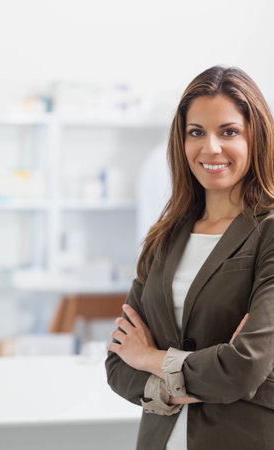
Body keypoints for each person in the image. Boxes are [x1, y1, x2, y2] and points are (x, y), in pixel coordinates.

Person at [105, 65, 274, 450]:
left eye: (228, 131)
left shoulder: (268, 233)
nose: (210, 147)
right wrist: (188, 382)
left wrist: (149, 356)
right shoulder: (165, 236)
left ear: (256, 137)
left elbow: (243, 367)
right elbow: (117, 364)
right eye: (196, 132)